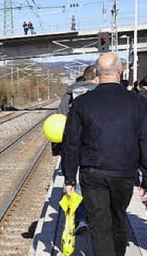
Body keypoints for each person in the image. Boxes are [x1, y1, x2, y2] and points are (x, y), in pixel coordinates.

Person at [62, 53, 147, 256]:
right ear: (120, 72)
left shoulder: (82, 103)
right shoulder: (137, 102)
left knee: (100, 225)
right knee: (119, 218)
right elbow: (145, 139)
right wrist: (146, 178)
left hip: (92, 173)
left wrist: (69, 178)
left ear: (97, 74)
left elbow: (71, 142)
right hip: (124, 171)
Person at [57, 65, 99, 234]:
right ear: (96, 76)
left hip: (73, 146)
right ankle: (91, 217)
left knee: (75, 184)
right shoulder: (101, 93)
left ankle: (79, 218)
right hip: (97, 147)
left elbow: (60, 119)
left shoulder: (69, 94)